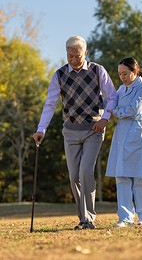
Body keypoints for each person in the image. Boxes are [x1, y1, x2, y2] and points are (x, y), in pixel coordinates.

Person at [33, 35, 118, 230]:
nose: (73, 60)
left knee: (85, 171)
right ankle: (82, 219)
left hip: (93, 129)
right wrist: (41, 129)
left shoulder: (98, 71)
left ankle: (89, 219)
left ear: (85, 53)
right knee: (73, 177)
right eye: (69, 56)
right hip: (70, 131)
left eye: (77, 56)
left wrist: (105, 119)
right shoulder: (59, 75)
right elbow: (50, 104)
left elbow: (112, 97)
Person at [105, 57, 142, 227]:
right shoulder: (121, 89)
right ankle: (125, 217)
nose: (122, 77)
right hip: (121, 135)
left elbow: (134, 110)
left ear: (134, 72)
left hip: (137, 134)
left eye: (125, 73)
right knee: (122, 176)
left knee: (140, 177)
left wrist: (115, 112)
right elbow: (110, 102)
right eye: (119, 74)